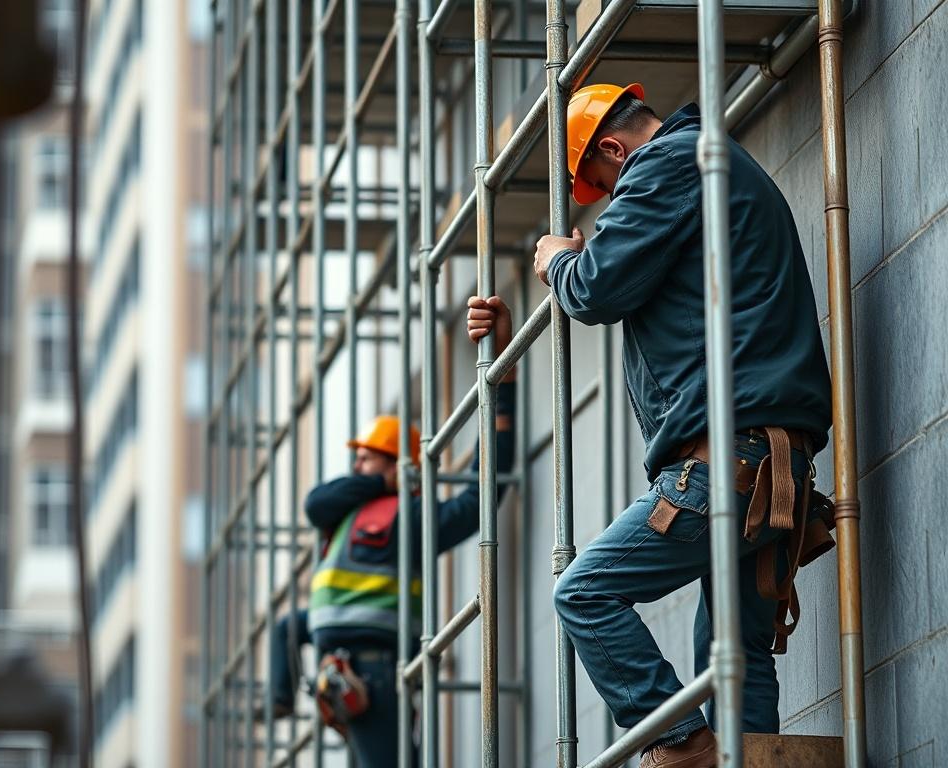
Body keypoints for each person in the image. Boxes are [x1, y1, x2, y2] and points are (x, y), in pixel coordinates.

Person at [533, 83, 834, 768]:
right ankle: (739, 756)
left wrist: (556, 262)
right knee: (734, 653)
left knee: (585, 592)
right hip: (773, 460)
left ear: (614, 148)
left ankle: (683, 745)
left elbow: (594, 288)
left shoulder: (667, 164)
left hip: (728, 459)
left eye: (606, 185)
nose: (613, 201)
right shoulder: (713, 161)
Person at [265, 296, 517, 768]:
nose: (355, 466)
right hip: (345, 671)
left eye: (367, 458)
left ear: (395, 464)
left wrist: (503, 395)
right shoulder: (342, 514)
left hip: (374, 672)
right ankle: (279, 697)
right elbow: (315, 503)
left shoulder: (405, 514)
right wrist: (378, 479)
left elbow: (477, 502)